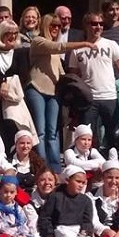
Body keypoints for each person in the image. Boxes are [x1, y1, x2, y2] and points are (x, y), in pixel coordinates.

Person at [26, 13, 94, 172]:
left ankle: (55, 168)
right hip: (36, 89)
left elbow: (61, 72)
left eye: (58, 26)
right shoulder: (38, 41)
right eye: (53, 25)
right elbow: (57, 47)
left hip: (53, 92)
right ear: (45, 26)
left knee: (53, 132)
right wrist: (84, 43)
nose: (56, 28)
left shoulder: (55, 53)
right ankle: (42, 167)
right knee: (41, 132)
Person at [68, 12, 119, 154]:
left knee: (113, 134)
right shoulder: (77, 49)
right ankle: (91, 165)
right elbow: (73, 76)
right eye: (94, 23)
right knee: (88, 136)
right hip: (89, 99)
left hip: (109, 97)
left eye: (101, 24)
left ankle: (115, 165)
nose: (98, 27)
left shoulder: (111, 44)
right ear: (86, 26)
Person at [0, 20, 30, 147]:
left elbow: (23, 75)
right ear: (1, 34)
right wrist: (0, 83)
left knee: (14, 128)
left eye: (15, 33)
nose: (13, 36)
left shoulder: (20, 53)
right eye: (9, 33)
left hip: (12, 99)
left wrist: (6, 85)